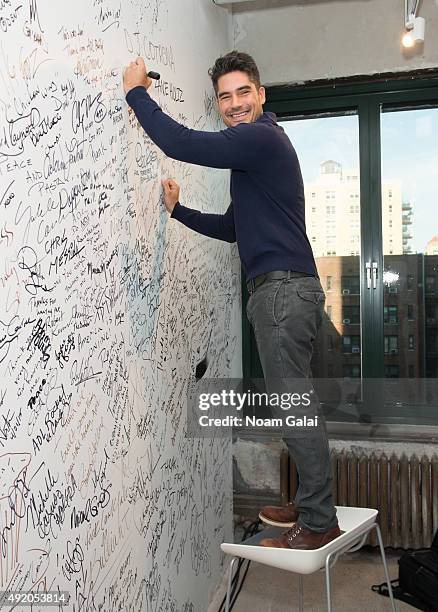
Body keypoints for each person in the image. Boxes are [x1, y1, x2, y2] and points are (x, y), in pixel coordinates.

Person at [123, 51, 340, 550]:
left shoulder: (261, 138)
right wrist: (178, 213)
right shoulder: (254, 160)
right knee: (296, 405)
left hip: (283, 292)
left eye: (244, 92)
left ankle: (318, 518)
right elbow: (231, 229)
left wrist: (137, 93)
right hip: (284, 291)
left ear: (261, 95)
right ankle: (312, 502)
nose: (235, 103)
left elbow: (182, 142)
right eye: (225, 97)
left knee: (295, 408)